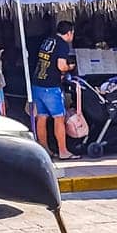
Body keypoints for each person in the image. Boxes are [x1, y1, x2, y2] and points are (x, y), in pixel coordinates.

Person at [33, 21, 76, 160]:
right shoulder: (62, 44)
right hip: (51, 86)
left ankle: (44, 149)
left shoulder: (48, 41)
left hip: (37, 83)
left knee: (41, 117)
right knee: (59, 118)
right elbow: (61, 66)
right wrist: (71, 67)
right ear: (69, 33)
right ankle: (63, 151)